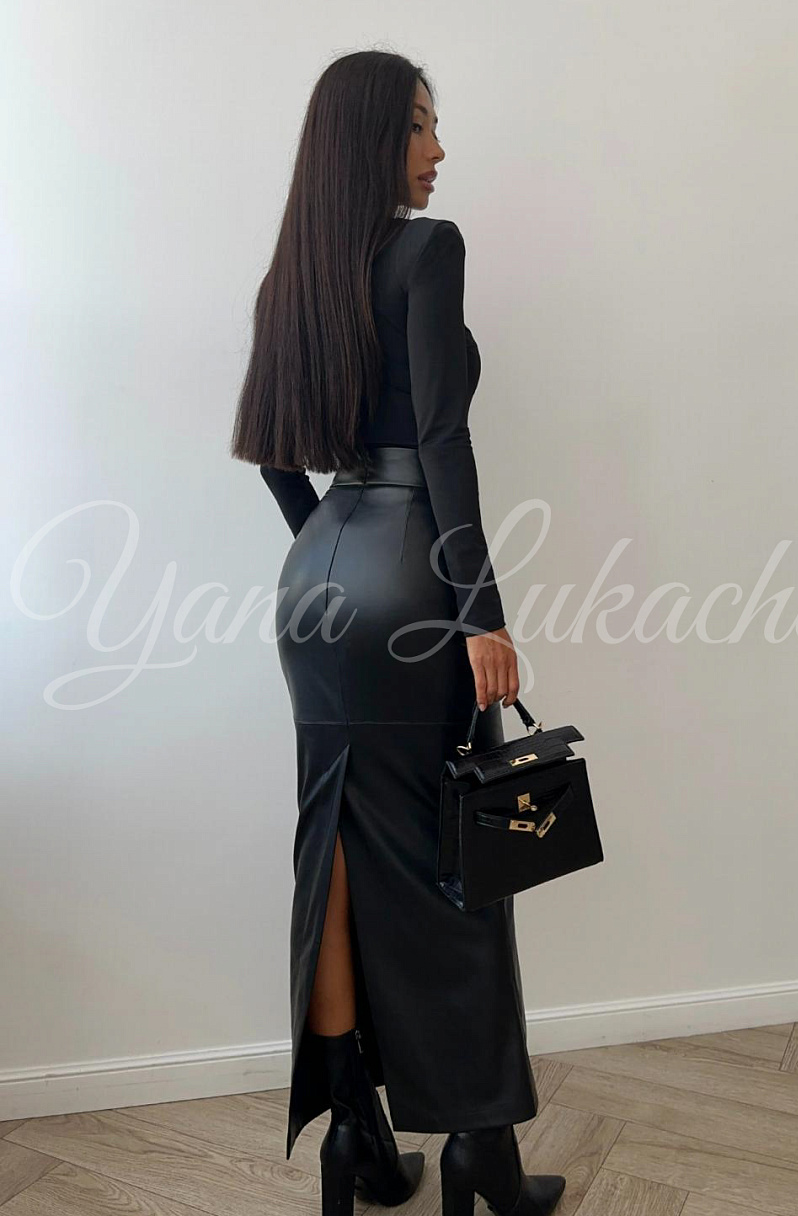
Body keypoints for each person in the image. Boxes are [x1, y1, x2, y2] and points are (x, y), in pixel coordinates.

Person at [230, 49, 566, 1216]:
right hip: (416, 584)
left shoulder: (292, 275)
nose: (438, 148)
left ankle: (355, 1141)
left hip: (313, 584)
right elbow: (440, 439)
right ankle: (480, 1147)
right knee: (463, 857)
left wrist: (329, 541)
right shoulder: (428, 250)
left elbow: (274, 451)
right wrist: (482, 611)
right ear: (375, 135)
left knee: (331, 848)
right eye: (421, 124)